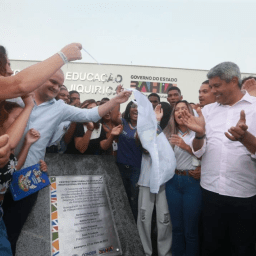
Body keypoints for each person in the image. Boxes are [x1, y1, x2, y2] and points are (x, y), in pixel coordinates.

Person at [3, 69, 131, 254]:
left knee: (12, 233)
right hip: (2, 170)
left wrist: (115, 100)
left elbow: (90, 115)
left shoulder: (59, 108)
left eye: (59, 84)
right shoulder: (16, 98)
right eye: (52, 82)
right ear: (41, 78)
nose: (55, 87)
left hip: (28, 178)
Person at [181, 62, 256, 256]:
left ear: (233, 81)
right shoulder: (207, 111)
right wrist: (198, 136)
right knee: (211, 247)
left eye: (216, 86)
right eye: (211, 87)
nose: (213, 91)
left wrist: (245, 138)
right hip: (211, 192)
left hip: (244, 195)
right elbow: (198, 151)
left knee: (242, 248)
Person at [0, 43, 83, 168]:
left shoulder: (10, 106)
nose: (11, 71)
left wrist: (28, 144)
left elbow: (10, 154)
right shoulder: (15, 104)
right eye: (6, 64)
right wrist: (63, 56)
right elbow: (20, 84)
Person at [164, 100, 202, 256]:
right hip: (172, 182)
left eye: (183, 109)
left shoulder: (198, 132)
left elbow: (208, 156)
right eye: (177, 109)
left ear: (189, 112)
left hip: (191, 183)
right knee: (177, 228)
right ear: (173, 115)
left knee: (191, 230)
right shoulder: (168, 133)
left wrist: (185, 146)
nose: (179, 112)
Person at [137, 104, 173, 256]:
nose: (160, 115)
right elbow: (148, 147)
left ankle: (165, 253)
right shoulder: (144, 128)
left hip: (164, 181)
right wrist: (155, 124)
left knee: (164, 220)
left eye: (162, 113)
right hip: (146, 180)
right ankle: (145, 252)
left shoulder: (172, 131)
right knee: (144, 219)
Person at [112, 98, 142, 221]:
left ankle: (133, 229)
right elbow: (114, 116)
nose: (136, 109)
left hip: (136, 169)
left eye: (140, 107)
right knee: (121, 198)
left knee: (134, 200)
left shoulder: (145, 127)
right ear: (129, 109)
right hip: (120, 168)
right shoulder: (123, 123)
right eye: (134, 106)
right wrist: (118, 98)